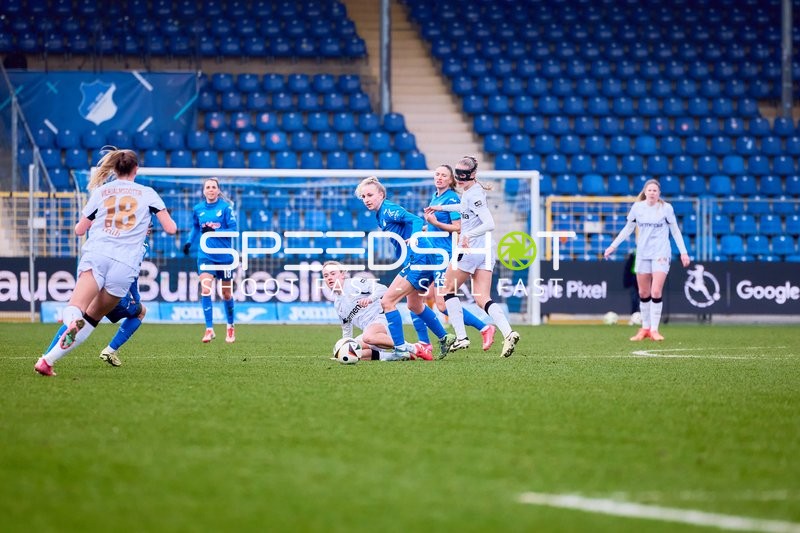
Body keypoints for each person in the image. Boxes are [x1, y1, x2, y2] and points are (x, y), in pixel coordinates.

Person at [34, 148, 177, 376]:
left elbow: (79, 229)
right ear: (136, 170)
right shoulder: (148, 193)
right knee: (92, 317)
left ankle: (66, 329)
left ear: (114, 169)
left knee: (77, 307)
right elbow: (171, 228)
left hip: (98, 253)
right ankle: (47, 362)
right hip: (125, 263)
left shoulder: (102, 191)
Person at [424, 156, 520, 358]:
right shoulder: (470, 192)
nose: (459, 178)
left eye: (462, 175)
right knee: (482, 298)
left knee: (447, 291)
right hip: (486, 250)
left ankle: (461, 337)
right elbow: (463, 208)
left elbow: (489, 223)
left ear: (473, 175)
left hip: (470, 250)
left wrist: (467, 235)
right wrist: (441, 208)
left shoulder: (474, 194)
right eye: (457, 174)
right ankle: (508, 332)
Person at [355, 176, 456, 359]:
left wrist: (415, 237)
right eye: (363, 197)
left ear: (381, 194)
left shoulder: (388, 210)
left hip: (419, 258)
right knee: (414, 305)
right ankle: (444, 337)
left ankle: (400, 349)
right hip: (422, 257)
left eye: (370, 195)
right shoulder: (381, 214)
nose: (366, 199)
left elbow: (415, 219)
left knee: (387, 302)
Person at [603, 178, 691, 341]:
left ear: (659, 194)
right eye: (649, 190)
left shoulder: (666, 208)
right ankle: (644, 328)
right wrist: (613, 246)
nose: (652, 193)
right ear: (645, 192)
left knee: (655, 291)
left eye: (655, 190)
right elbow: (628, 229)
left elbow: (676, 232)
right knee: (643, 292)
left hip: (661, 253)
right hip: (642, 254)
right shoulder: (637, 208)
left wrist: (684, 252)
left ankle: (654, 330)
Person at [422, 164, 496, 351]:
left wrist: (435, 223)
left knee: (442, 302)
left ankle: (482, 328)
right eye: (437, 174)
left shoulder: (453, 197)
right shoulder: (436, 197)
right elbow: (437, 226)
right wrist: (425, 230)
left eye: (444, 175)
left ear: (451, 180)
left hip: (446, 253)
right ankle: (434, 341)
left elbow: (458, 227)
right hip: (434, 253)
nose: (439, 177)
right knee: (427, 298)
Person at [43, 238, 150, 367]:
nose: (149, 227)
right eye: (148, 224)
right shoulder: (140, 244)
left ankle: (47, 356)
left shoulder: (108, 235)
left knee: (79, 319)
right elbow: (133, 274)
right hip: (112, 293)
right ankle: (110, 350)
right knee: (141, 312)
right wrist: (136, 298)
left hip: (94, 284)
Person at [322, 261, 432, 361]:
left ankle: (414, 348)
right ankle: (398, 356)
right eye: (326, 276)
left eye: (333, 273)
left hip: (382, 320)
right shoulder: (337, 303)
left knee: (368, 337)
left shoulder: (354, 283)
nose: (329, 278)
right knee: (353, 350)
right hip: (370, 331)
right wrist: (344, 348)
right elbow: (346, 328)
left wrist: (370, 299)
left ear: (342, 274)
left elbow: (383, 288)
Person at [183, 177, 238, 343]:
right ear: (204, 191)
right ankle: (209, 329)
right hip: (205, 255)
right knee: (206, 289)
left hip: (224, 256)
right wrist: (188, 242)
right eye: (208, 187)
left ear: (218, 190)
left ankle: (230, 326)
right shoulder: (198, 209)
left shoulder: (226, 208)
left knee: (226, 293)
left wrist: (214, 232)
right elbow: (195, 227)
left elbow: (233, 230)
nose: (211, 190)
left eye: (214, 187)